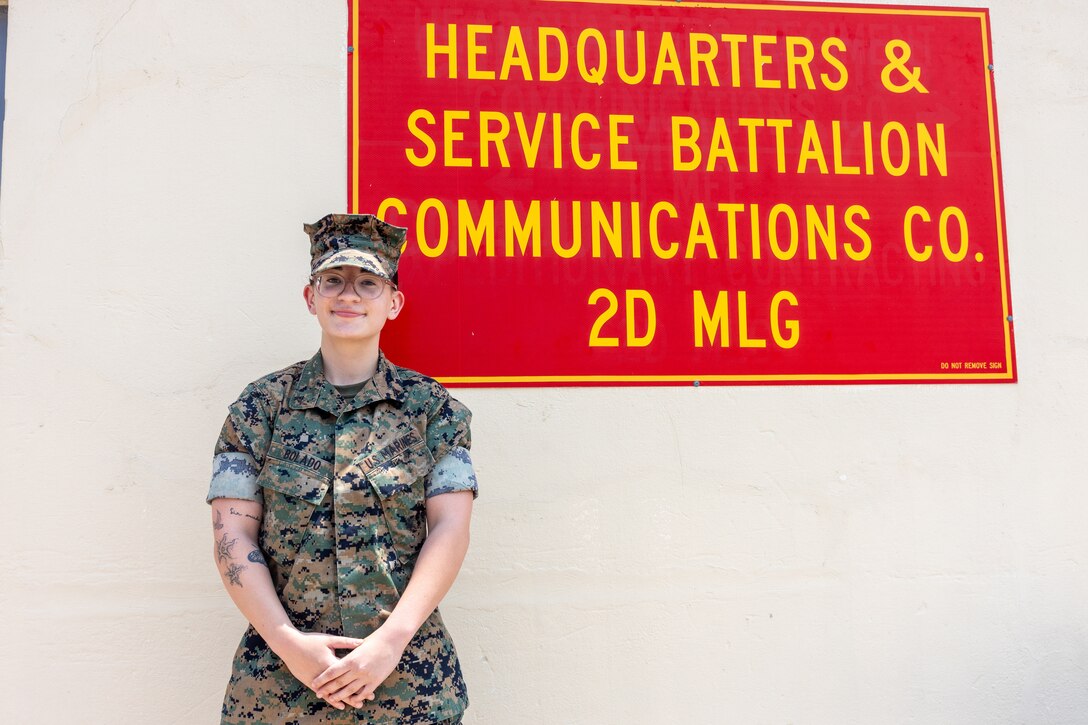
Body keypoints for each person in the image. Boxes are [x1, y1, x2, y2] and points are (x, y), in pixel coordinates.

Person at [207, 214, 478, 724]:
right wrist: (290, 645)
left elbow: (450, 528)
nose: (348, 295)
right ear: (311, 298)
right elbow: (232, 534)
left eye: (368, 283)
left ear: (392, 303)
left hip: (406, 685)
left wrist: (391, 641)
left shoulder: (431, 410)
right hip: (279, 687)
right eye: (332, 280)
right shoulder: (259, 408)